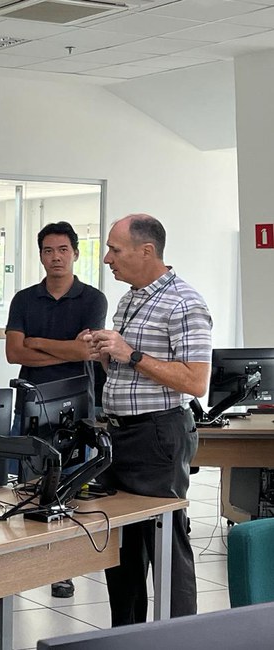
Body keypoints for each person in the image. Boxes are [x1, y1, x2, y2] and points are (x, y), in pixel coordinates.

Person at [86, 213, 212, 626]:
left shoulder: (185, 303)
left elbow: (195, 381)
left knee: (165, 542)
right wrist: (107, 354)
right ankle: (126, 634)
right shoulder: (130, 298)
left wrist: (132, 355)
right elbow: (128, 369)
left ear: (147, 251)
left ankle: (180, 635)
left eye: (114, 250)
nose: (107, 258)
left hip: (158, 434)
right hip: (119, 434)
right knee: (121, 543)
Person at [5, 221, 108, 599]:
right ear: (41, 256)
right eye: (48, 251)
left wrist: (39, 342)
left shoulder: (93, 299)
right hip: (32, 402)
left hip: (76, 405)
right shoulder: (24, 299)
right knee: (26, 487)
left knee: (69, 489)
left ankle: (62, 569)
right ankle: (16, 562)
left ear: (75, 253)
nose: (56, 257)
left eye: (63, 250)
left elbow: (87, 352)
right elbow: (14, 353)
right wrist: (62, 347)